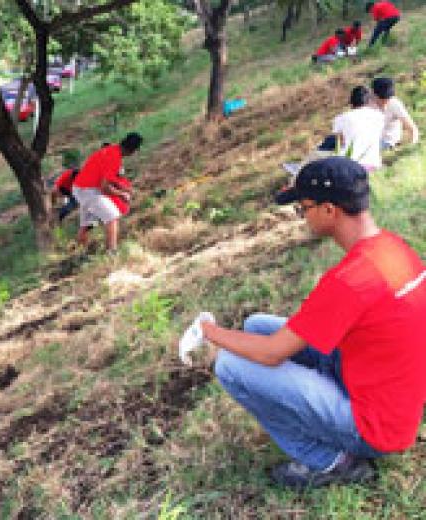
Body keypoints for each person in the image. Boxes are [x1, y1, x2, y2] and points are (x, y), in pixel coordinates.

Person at [182, 157, 426, 489]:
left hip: (376, 429)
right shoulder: (391, 247)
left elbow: (271, 354)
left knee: (230, 367)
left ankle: (330, 462)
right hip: (388, 393)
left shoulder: (350, 280)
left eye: (304, 208)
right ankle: (325, 408)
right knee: (256, 324)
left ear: (329, 210)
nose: (302, 216)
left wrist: (208, 332)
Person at [72, 132, 142, 252]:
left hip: (82, 187)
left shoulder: (112, 150)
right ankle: (112, 252)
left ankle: (77, 252)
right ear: (133, 151)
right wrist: (122, 194)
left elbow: (108, 178)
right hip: (88, 190)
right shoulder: (115, 158)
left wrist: (124, 188)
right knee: (112, 216)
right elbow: (105, 188)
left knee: (87, 224)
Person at [331, 85, 385, 171]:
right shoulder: (380, 116)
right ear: (369, 101)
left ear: (351, 102)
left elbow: (340, 143)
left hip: (348, 164)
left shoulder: (340, 118)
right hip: (373, 164)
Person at [371, 77, 420, 149]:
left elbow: (412, 128)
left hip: (388, 142)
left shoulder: (395, 104)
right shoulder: (369, 103)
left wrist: (411, 147)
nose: (385, 102)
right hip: (372, 141)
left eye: (387, 99)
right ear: (374, 94)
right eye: (381, 99)